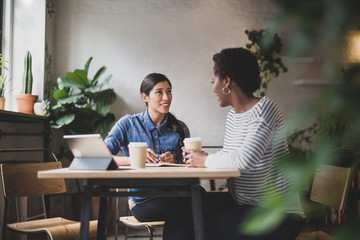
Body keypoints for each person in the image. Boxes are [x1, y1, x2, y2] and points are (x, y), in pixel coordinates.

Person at [163, 48, 305, 240]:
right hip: (243, 203)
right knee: (180, 211)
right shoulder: (233, 117)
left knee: (191, 230)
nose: (213, 88)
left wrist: (206, 160)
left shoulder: (265, 109)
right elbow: (231, 158)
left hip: (276, 213)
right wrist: (205, 159)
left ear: (226, 82)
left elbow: (244, 160)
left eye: (213, 81)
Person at [104, 73, 191, 222]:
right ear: (145, 97)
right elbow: (101, 157)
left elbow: (189, 167)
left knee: (195, 199)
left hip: (175, 194)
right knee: (192, 206)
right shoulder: (128, 124)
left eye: (169, 91)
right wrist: (134, 159)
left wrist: (175, 163)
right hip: (143, 202)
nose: (166, 97)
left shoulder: (180, 128)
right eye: (159, 92)